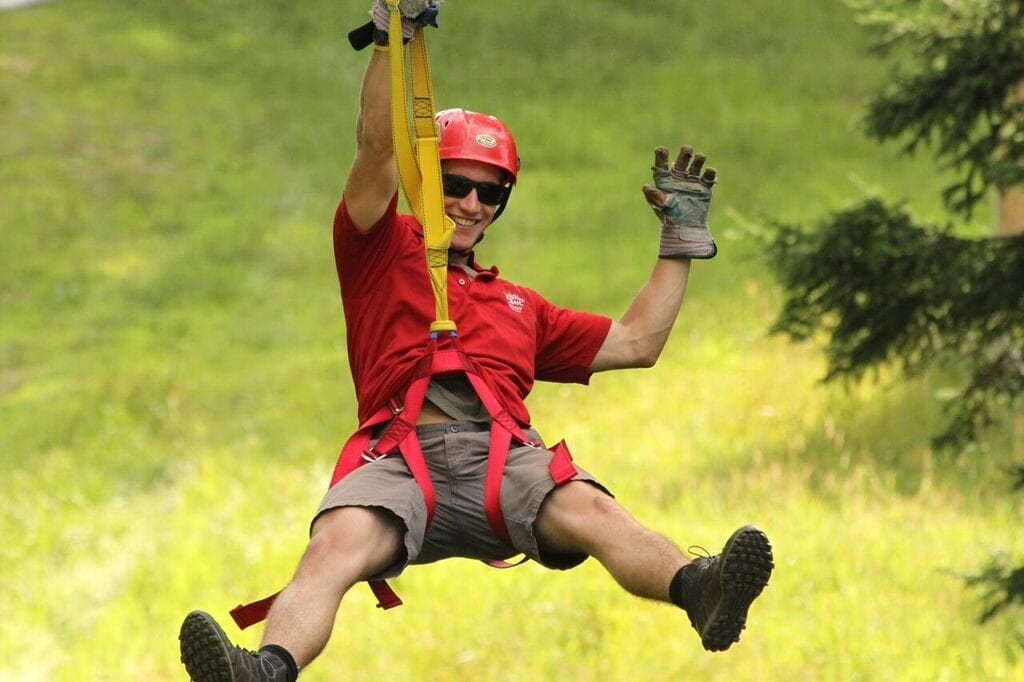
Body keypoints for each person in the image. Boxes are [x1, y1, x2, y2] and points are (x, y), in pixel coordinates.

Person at [178, 3, 774, 680]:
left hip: (504, 465)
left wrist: (680, 244)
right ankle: (264, 671)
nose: (471, 204)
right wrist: (387, 43)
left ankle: (702, 591)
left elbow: (638, 342)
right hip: (399, 463)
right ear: (429, 181)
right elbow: (377, 148)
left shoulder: (521, 306)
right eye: (456, 185)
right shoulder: (378, 249)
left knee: (593, 509)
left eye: (490, 195)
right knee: (333, 547)